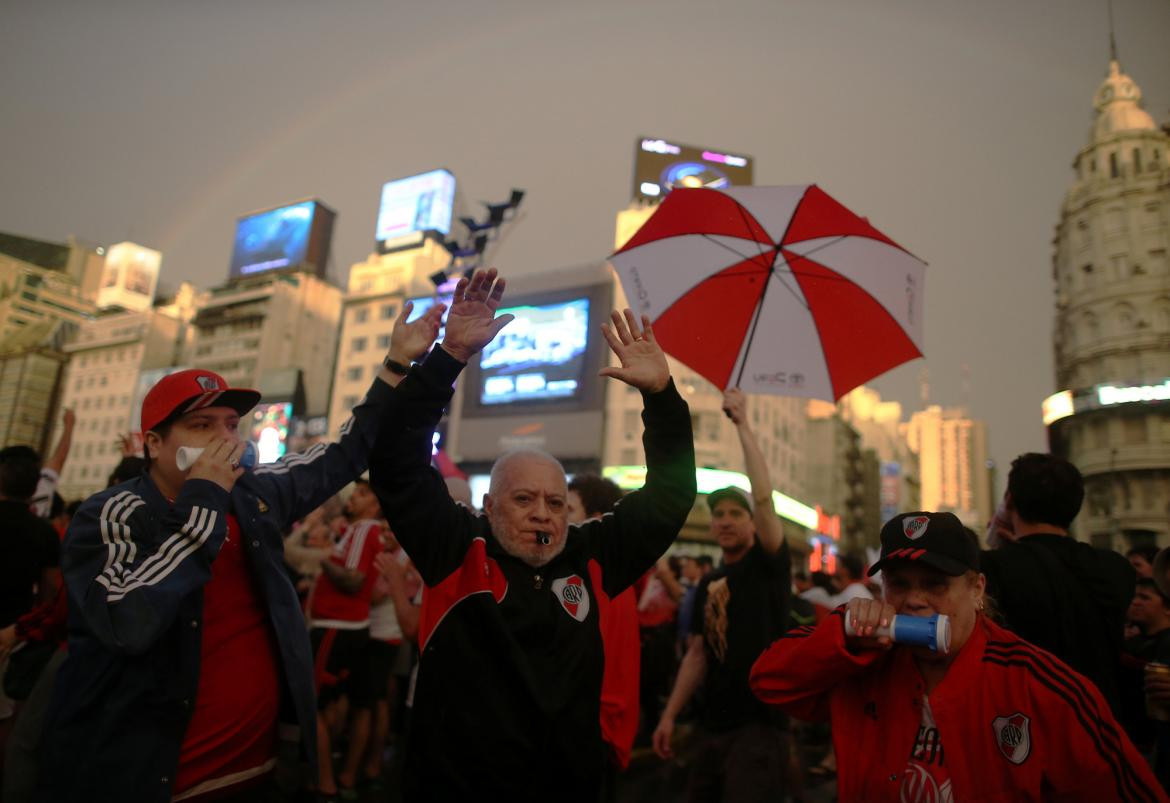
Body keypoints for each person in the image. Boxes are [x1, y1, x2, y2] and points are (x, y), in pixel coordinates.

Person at [38, 300, 444, 803]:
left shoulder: (255, 491)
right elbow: (127, 622)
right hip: (157, 781)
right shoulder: (112, 513)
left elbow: (345, 453)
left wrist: (396, 363)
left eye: (230, 424)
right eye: (202, 426)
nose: (225, 439)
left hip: (261, 772)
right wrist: (204, 498)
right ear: (154, 444)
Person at [368, 272, 696, 802]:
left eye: (555, 503)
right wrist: (448, 355)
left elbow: (672, 494)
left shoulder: (592, 554)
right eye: (524, 500)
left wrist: (662, 398)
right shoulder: (456, 546)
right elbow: (396, 463)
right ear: (489, 506)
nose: (542, 515)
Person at [750, 510, 1166, 802]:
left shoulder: (1042, 685)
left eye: (935, 584)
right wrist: (841, 637)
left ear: (977, 588)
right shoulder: (860, 660)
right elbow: (768, 682)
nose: (914, 600)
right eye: (898, 583)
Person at [653, 386, 790, 803]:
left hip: (759, 726)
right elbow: (697, 653)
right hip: (712, 725)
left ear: (752, 524)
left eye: (736, 514)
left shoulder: (767, 565)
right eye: (719, 515)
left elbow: (764, 499)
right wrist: (670, 715)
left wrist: (743, 424)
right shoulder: (710, 581)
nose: (726, 521)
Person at [981, 452, 1136, 716]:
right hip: (1100, 723)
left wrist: (999, 551)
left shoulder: (991, 570)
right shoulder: (1117, 569)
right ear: (1076, 505)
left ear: (1009, 501)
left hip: (1022, 726)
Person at [305, 479, 385, 799]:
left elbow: (354, 581)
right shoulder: (356, 529)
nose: (355, 497)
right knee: (333, 703)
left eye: (364, 493)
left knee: (314, 706)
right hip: (342, 626)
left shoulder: (366, 529)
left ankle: (324, 784)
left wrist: (322, 556)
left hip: (337, 627)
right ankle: (326, 774)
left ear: (376, 504)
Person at [566, 473, 638, 799]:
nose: (551, 517)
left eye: (564, 508)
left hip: (588, 735)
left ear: (595, 521)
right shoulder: (607, 573)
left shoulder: (594, 577)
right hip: (598, 733)